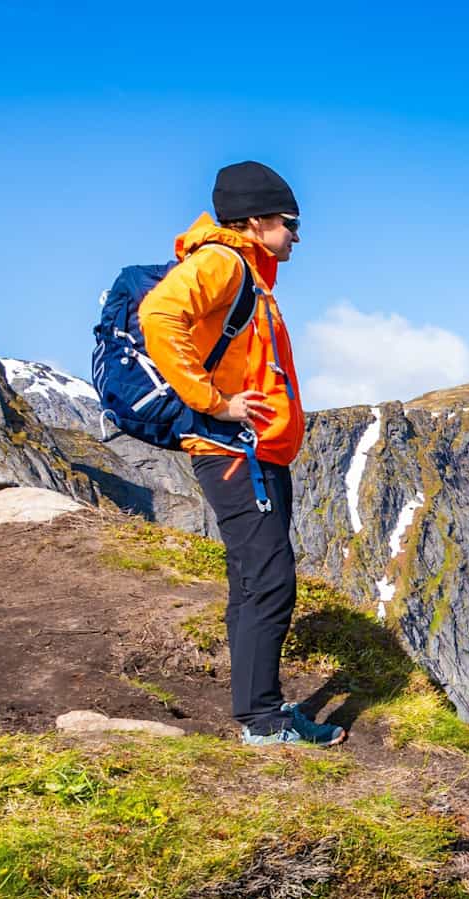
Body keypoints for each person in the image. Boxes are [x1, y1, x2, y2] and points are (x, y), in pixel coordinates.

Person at [140, 160, 342, 746]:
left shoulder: (249, 274)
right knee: (271, 580)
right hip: (233, 450)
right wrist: (212, 400)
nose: (296, 236)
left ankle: (263, 708)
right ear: (255, 220)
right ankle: (261, 720)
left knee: (253, 579)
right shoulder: (222, 263)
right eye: (289, 222)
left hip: (257, 453)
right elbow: (159, 315)